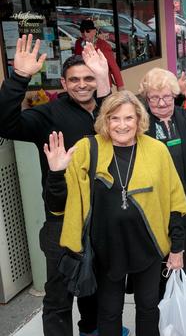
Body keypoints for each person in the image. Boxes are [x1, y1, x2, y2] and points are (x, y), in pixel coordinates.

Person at [43, 91, 186, 336]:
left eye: (129, 118)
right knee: (109, 312)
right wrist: (57, 173)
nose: (122, 125)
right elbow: (59, 204)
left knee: (148, 308)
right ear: (105, 120)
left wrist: (177, 248)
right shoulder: (87, 149)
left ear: (139, 120)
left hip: (149, 247)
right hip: (106, 250)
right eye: (115, 118)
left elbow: (175, 201)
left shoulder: (157, 150)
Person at [0, 34, 111, 336]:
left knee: (95, 286)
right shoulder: (48, 115)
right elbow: (5, 123)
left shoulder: (108, 112)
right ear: (63, 84)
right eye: (74, 79)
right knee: (59, 298)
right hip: (62, 222)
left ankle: (91, 330)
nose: (81, 84)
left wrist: (105, 85)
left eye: (89, 78)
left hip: (102, 217)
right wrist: (19, 78)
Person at [138, 68, 186, 276]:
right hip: (155, 202)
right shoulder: (139, 124)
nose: (162, 103)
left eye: (166, 96)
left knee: (184, 260)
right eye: (154, 98)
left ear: (175, 95)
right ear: (146, 98)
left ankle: (174, 299)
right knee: (157, 265)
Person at [74, 19, 125, 91]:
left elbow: (113, 66)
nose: (85, 34)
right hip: (85, 83)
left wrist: (120, 86)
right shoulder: (78, 43)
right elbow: (76, 62)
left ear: (94, 31)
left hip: (102, 83)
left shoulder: (103, 45)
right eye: (82, 31)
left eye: (88, 31)